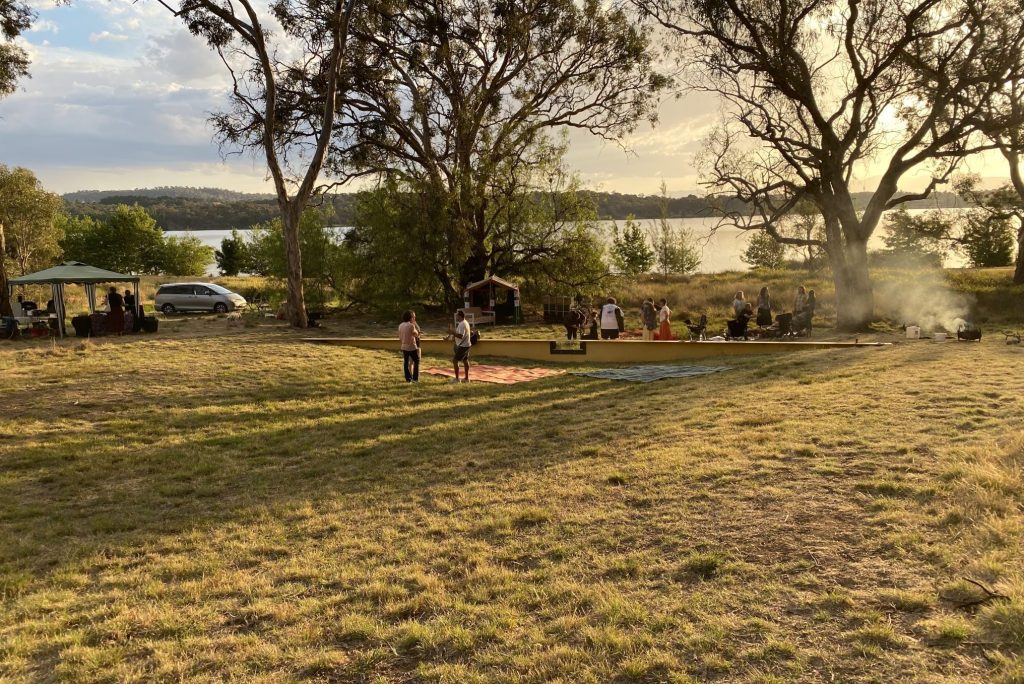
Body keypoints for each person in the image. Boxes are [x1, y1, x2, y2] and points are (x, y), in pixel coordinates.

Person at [398, 310, 421, 382]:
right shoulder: (411, 325)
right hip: (411, 347)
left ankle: (408, 379)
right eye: (414, 317)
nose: (414, 318)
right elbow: (416, 334)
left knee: (406, 362)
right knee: (416, 361)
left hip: (403, 346)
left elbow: (400, 336)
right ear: (410, 317)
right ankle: (415, 378)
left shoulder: (400, 325)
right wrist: (414, 325)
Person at [450, 310, 472, 383]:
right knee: (465, 360)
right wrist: (453, 335)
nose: (456, 317)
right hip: (466, 345)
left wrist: (452, 333)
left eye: (457, 315)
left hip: (463, 346)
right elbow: (459, 334)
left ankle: (457, 379)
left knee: (455, 361)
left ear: (460, 316)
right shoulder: (465, 322)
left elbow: (460, 336)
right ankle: (466, 379)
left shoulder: (462, 324)